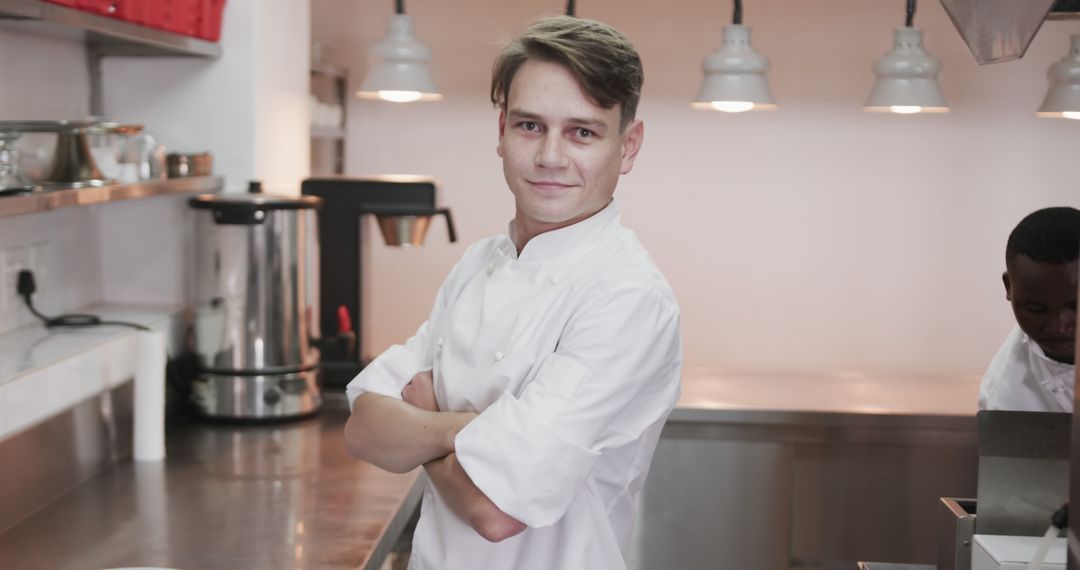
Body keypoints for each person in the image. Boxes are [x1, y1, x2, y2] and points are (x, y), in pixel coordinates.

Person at [343, 15, 682, 570]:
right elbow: (363, 431)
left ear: (629, 144)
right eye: (530, 126)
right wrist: (466, 430)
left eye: (583, 131)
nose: (550, 156)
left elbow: (495, 511)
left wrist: (424, 418)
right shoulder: (479, 263)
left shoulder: (626, 297)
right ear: (501, 130)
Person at [979, 206, 1079, 412]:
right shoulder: (1004, 399)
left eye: (1077, 306)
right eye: (1037, 308)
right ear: (1009, 288)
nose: (1059, 326)